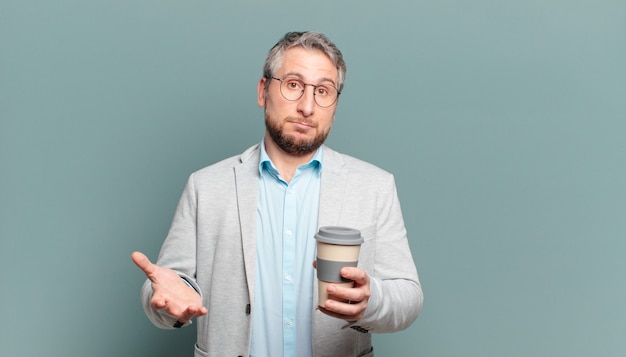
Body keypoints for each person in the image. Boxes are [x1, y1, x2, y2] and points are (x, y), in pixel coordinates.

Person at [132, 31, 423, 357]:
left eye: (323, 91)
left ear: (335, 106)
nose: (307, 106)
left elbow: (408, 296)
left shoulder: (375, 187)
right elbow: (169, 285)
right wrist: (166, 302)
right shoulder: (206, 185)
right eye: (294, 84)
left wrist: (371, 301)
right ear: (263, 91)